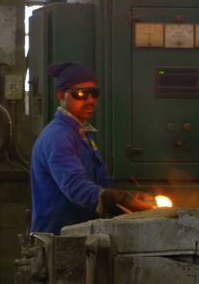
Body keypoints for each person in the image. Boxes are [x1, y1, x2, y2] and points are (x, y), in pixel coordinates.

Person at [30, 61, 154, 234]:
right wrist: (117, 199)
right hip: (59, 237)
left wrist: (128, 199)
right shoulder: (58, 136)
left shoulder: (82, 133)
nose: (90, 100)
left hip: (82, 233)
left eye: (94, 93)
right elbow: (75, 186)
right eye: (81, 94)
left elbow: (101, 181)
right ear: (61, 95)